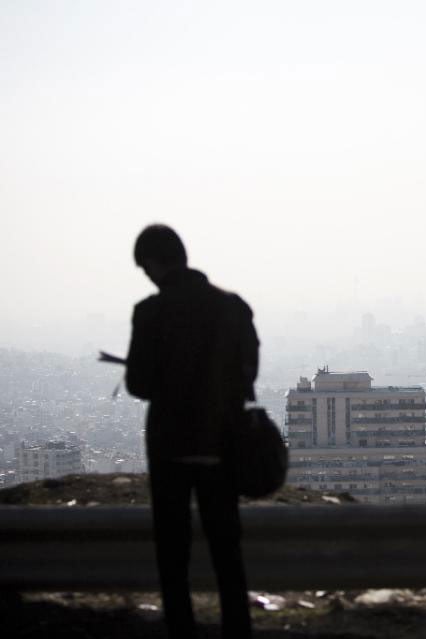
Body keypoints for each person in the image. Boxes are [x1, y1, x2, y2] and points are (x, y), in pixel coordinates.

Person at [125, 224, 258, 639]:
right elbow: (248, 372)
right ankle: (238, 630)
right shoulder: (232, 307)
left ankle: (182, 631)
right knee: (226, 548)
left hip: (170, 447)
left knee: (173, 551)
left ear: (153, 263)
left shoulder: (150, 312)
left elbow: (138, 384)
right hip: (221, 443)